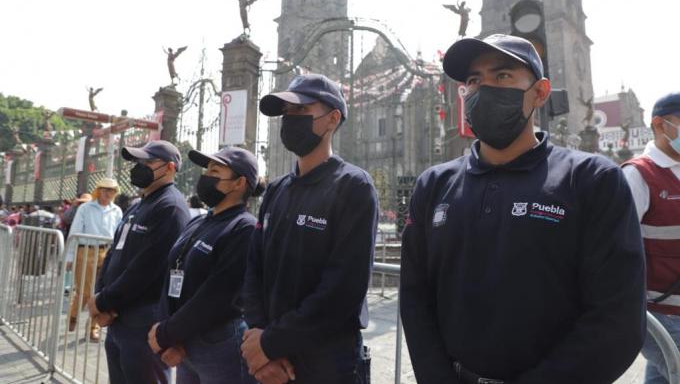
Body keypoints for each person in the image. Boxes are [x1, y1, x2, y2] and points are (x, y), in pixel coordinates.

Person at [399, 34, 646, 384]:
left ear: (540, 92)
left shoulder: (592, 181)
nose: (483, 89)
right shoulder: (433, 185)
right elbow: (415, 295)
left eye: (502, 76)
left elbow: (616, 319)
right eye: (473, 80)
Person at [242, 74, 378, 384]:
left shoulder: (353, 187)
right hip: (268, 360)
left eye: (301, 111)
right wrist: (262, 344)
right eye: (287, 113)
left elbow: (342, 291)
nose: (290, 120)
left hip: (326, 361)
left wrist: (270, 343)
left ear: (332, 119)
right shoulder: (276, 190)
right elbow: (253, 271)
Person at [147, 146, 264, 384]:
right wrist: (170, 336)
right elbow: (171, 277)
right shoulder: (199, 221)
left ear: (238, 183)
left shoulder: (244, 228)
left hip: (220, 346)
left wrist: (167, 332)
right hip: (185, 342)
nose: (206, 176)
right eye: (206, 170)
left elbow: (217, 296)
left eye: (215, 171)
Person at [88, 140, 190, 384]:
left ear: (169, 168)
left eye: (148, 162)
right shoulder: (137, 205)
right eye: (137, 161)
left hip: (143, 321)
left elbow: (146, 268)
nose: (139, 166)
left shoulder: (171, 208)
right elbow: (114, 253)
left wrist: (104, 301)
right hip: (117, 317)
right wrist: (100, 298)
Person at [622, 92, 680, 383]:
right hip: (660, 313)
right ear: (660, 125)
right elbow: (616, 249)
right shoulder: (638, 176)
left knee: (663, 375)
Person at [67, 178, 123, 341]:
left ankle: (93, 327)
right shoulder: (86, 208)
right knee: (84, 291)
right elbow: (75, 231)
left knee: (98, 292)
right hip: (86, 251)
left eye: (112, 191)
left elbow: (118, 234)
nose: (108, 193)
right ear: (98, 190)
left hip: (106, 252)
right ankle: (73, 316)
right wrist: (70, 256)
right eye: (105, 189)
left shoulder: (117, 211)